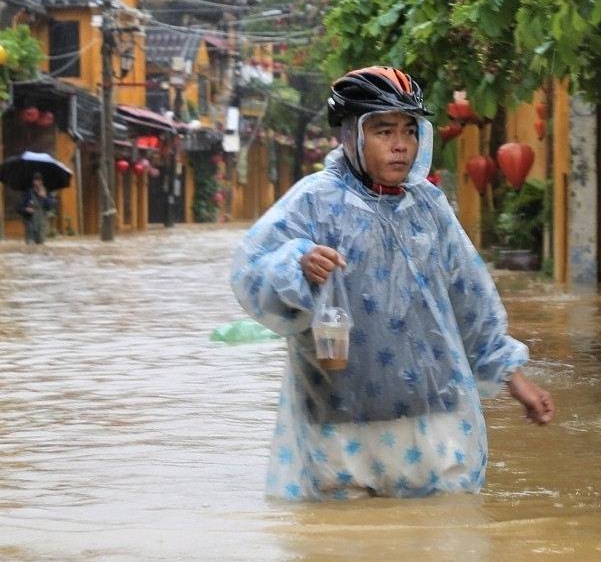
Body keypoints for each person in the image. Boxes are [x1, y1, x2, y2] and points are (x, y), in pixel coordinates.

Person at [230, 66, 554, 502]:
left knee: (444, 534)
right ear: (351, 136)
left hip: (436, 417)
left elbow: (469, 298)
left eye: (409, 130)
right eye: (384, 131)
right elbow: (250, 272)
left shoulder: (429, 208)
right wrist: (297, 265)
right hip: (339, 423)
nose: (401, 144)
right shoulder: (313, 202)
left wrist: (515, 379)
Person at [16, 172, 55, 244]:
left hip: (42, 224)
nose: (39, 182)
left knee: (41, 244)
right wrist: (26, 209)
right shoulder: (27, 193)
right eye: (37, 180)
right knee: (31, 246)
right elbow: (18, 207)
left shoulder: (47, 192)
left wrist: (45, 197)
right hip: (30, 224)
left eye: (40, 180)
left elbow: (50, 207)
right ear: (33, 182)